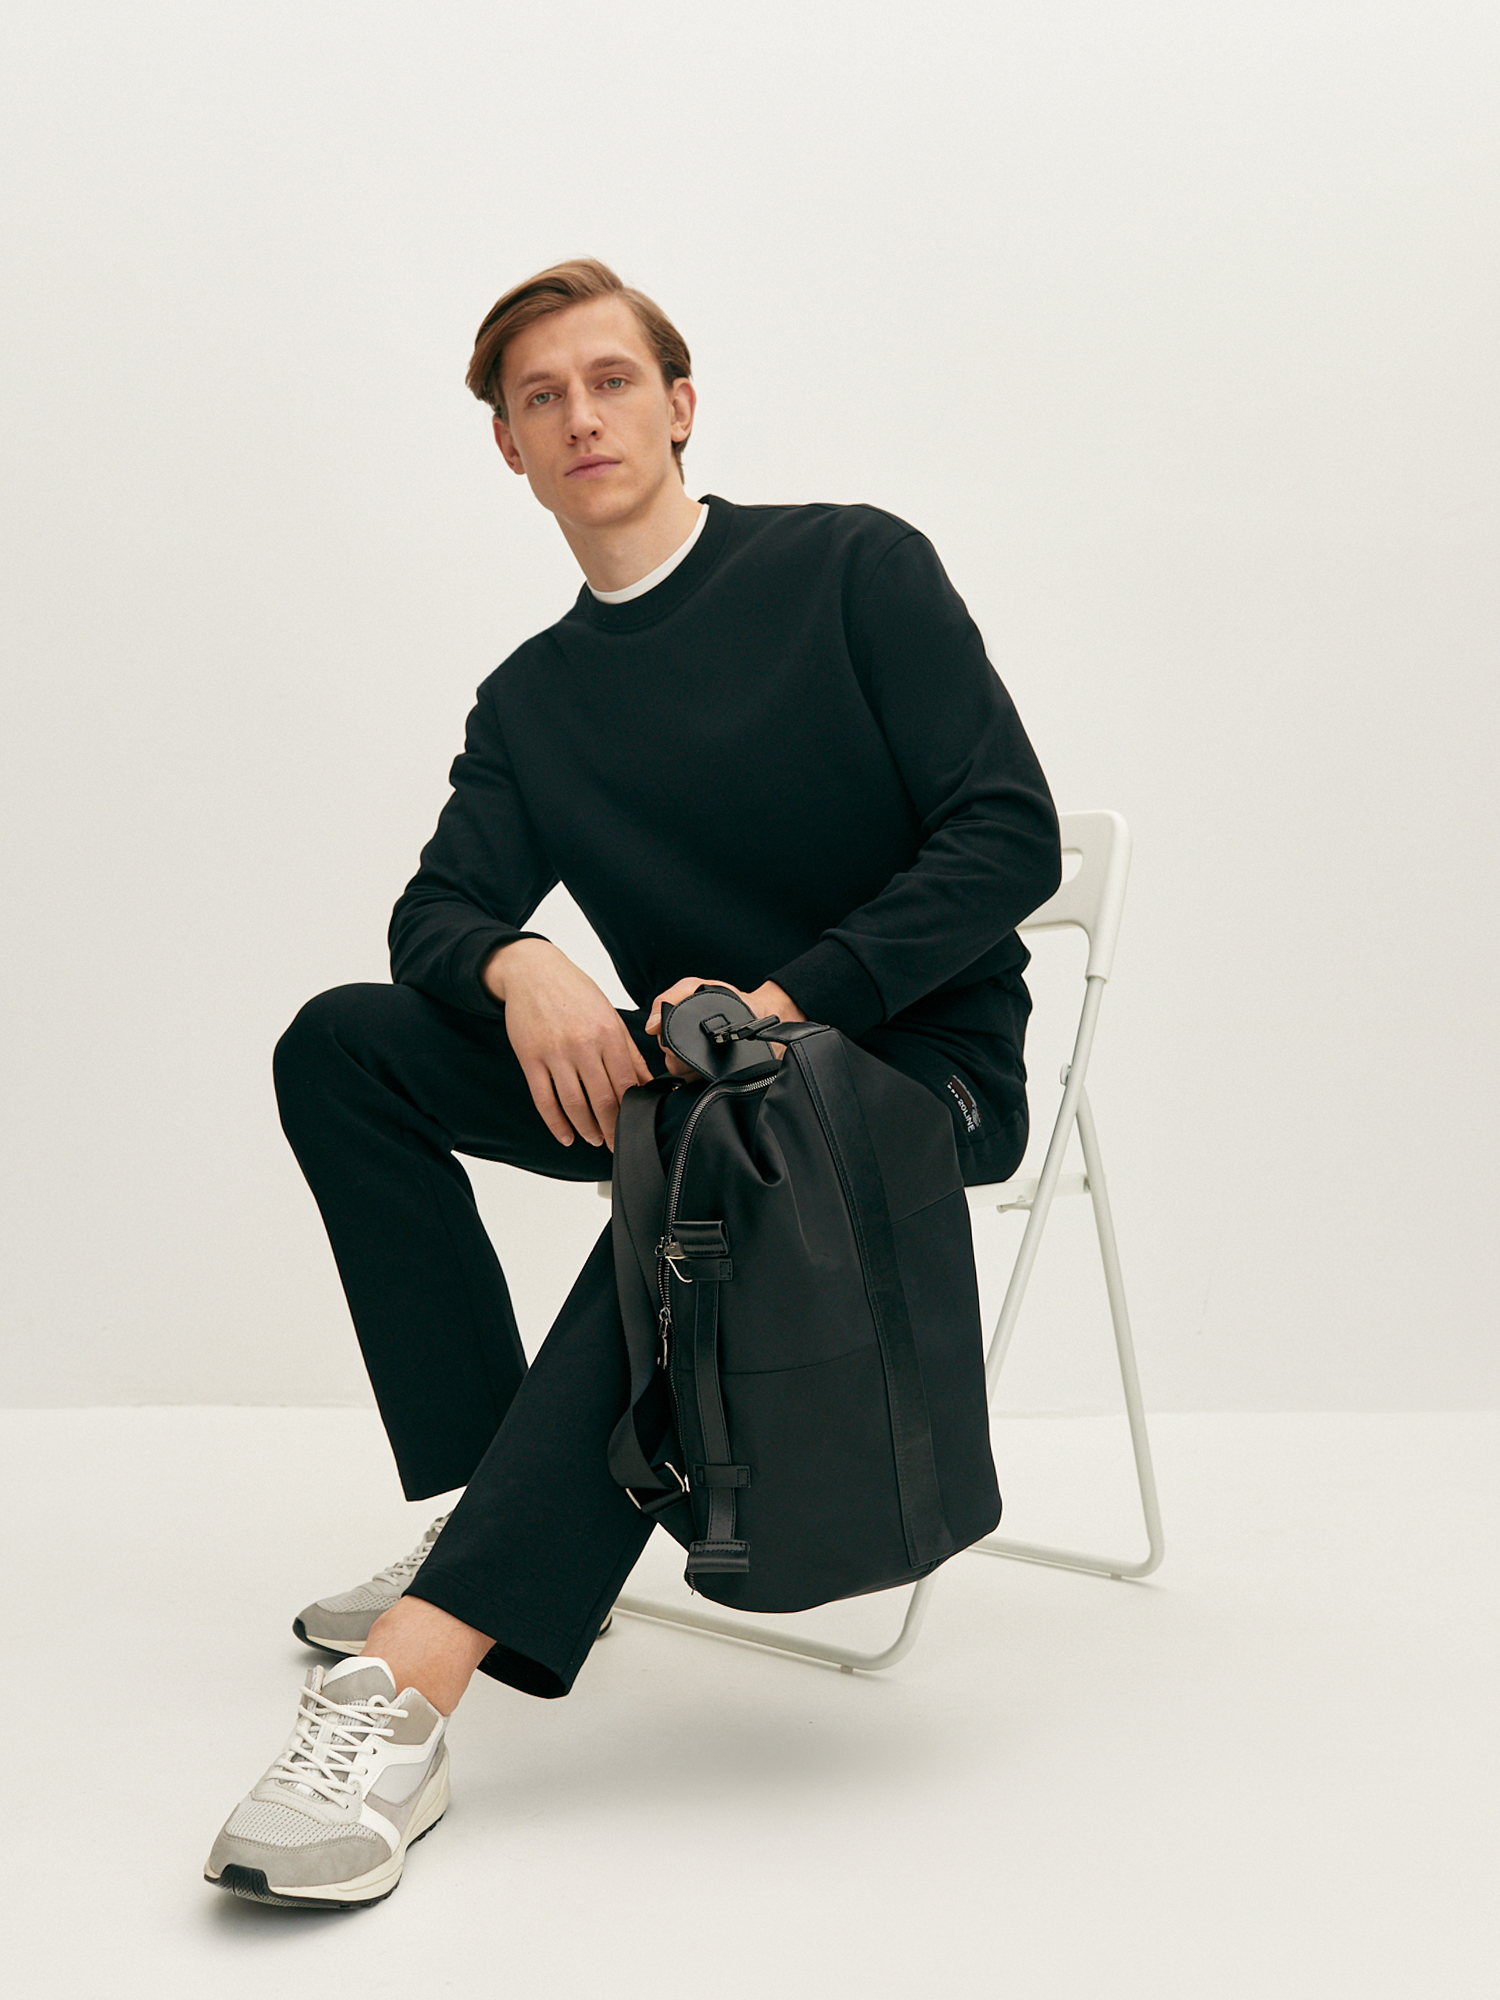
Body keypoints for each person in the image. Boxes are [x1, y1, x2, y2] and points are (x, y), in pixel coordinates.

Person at [204, 258, 1062, 1908]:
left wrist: (772, 1008)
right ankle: (499, 1520)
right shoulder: (534, 701)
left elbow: (1005, 834)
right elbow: (434, 911)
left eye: (611, 381)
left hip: (906, 1074)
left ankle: (413, 1679)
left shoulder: (850, 567)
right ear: (510, 449)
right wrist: (522, 965)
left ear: (679, 405)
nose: (580, 416)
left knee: (720, 1143)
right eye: (541, 398)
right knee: (343, 1043)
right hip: (688, 1092)